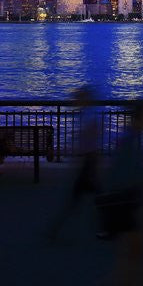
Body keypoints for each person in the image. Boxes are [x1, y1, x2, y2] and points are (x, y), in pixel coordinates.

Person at [99, 101, 143, 286]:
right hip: (127, 206)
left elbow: (115, 172)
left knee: (130, 259)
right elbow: (131, 175)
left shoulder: (126, 139)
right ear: (139, 118)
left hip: (123, 204)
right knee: (131, 261)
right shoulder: (130, 142)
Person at [46, 86, 102, 240]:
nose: (75, 100)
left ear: (84, 100)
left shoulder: (88, 117)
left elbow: (81, 145)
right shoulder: (88, 115)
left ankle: (56, 228)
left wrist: (58, 152)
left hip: (87, 163)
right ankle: (57, 228)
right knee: (94, 196)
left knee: (79, 197)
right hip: (89, 162)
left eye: (77, 98)